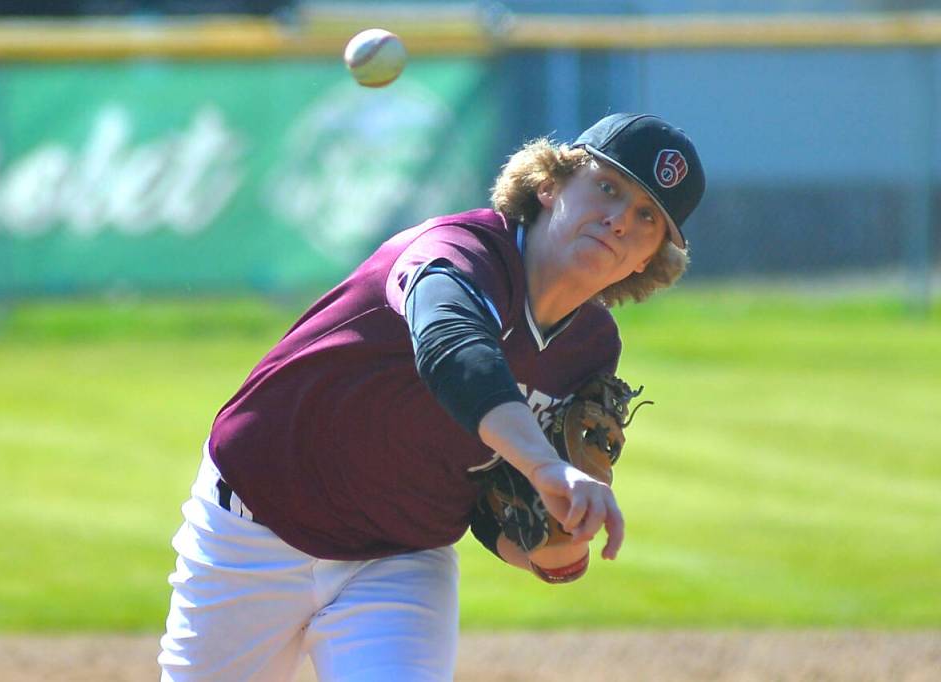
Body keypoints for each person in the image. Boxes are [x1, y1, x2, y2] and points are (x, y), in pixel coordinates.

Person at [158, 112, 705, 681]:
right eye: (608, 187)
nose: (619, 220)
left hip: (399, 561)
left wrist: (548, 547)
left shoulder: (589, 349)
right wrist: (546, 467)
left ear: (651, 258)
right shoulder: (453, 252)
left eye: (647, 218)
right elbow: (455, 349)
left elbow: (485, 491)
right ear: (550, 184)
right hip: (254, 526)